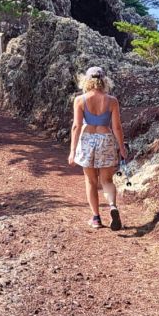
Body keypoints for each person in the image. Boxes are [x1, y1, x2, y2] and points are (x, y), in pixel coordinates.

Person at [67, 66, 128, 229]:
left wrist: (72, 151)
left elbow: (76, 126)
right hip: (106, 139)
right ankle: (112, 206)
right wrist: (121, 147)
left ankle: (96, 218)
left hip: (87, 139)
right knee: (107, 180)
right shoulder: (112, 100)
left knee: (91, 181)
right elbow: (117, 127)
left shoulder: (80, 100)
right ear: (104, 81)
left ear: (87, 80)